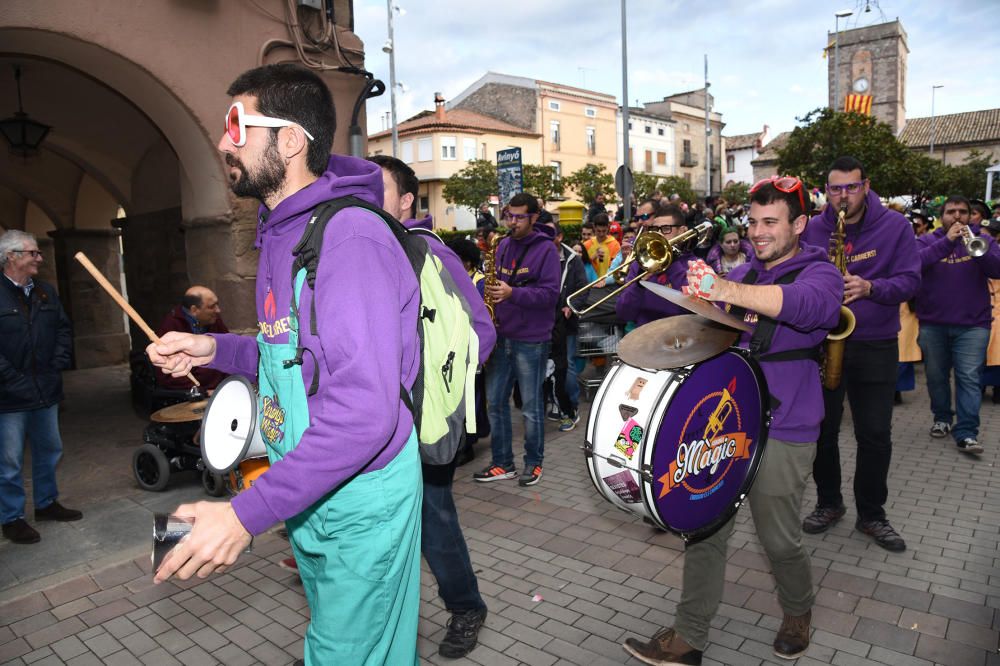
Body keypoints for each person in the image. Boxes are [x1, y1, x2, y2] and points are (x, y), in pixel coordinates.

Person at [148, 63, 423, 664]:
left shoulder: (350, 239)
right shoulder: (282, 235)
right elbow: (293, 354)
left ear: (291, 140)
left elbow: (363, 413)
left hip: (359, 497)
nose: (223, 141)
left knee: (343, 653)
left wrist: (245, 515)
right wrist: (214, 348)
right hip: (310, 487)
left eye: (237, 125)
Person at [623, 176, 842, 664]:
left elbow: (810, 309)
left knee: (778, 538)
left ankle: (798, 610)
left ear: (799, 224)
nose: (758, 231)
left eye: (771, 222)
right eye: (753, 221)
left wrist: (726, 287)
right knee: (704, 529)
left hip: (786, 424)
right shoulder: (751, 275)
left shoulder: (819, 271)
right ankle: (689, 636)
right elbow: (727, 333)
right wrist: (705, 304)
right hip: (730, 422)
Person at [370, 154, 495, 658]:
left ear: (405, 202)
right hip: (370, 423)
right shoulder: (355, 251)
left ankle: (466, 607)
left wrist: (445, 391)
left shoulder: (430, 254)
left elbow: (480, 332)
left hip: (421, 422)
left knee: (434, 521)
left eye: (373, 189)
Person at [800, 156, 920, 553]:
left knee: (875, 435)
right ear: (826, 190)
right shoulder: (814, 228)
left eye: (851, 187)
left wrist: (871, 288)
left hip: (876, 343)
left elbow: (910, 280)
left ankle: (872, 513)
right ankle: (829, 503)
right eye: (836, 188)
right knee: (822, 432)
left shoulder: (895, 227)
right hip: (824, 343)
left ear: (866, 186)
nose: (843, 196)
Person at [473, 193, 560, 486]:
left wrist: (514, 293)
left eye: (520, 216)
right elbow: (491, 282)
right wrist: (486, 284)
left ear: (534, 217)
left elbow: (550, 295)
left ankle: (534, 464)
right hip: (501, 335)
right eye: (509, 215)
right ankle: (502, 463)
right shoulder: (502, 244)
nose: (512, 221)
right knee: (495, 403)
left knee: (531, 408)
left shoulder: (546, 250)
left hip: (531, 340)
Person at [0, 230, 81, 545]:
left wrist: (58, 363)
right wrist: (10, 378)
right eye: (33, 253)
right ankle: (12, 517)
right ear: (12, 257)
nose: (39, 258)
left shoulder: (46, 292)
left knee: (50, 450)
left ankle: (47, 503)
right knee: (8, 461)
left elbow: (63, 328)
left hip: (46, 390)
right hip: (8, 396)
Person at [914, 196, 1000, 454]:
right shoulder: (927, 241)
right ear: (942, 216)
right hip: (933, 323)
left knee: (969, 379)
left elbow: (997, 270)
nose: (958, 216)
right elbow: (914, 264)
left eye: (963, 211)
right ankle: (942, 418)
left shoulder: (983, 240)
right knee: (936, 377)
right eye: (951, 212)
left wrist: (980, 251)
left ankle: (966, 432)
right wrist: (947, 242)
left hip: (974, 324)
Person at [540, 220, 587, 431]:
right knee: (549, 365)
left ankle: (572, 406)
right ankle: (557, 403)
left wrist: (570, 305)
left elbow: (582, 288)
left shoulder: (572, 259)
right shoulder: (540, 256)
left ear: (559, 238)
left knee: (565, 364)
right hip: (544, 320)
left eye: (549, 237)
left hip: (565, 322)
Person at [616, 203, 694, 327]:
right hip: (646, 338)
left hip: (682, 338)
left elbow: (696, 310)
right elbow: (624, 314)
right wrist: (638, 286)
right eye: (655, 229)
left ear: (682, 231)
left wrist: (673, 263)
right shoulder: (640, 264)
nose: (660, 235)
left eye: (666, 229)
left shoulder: (694, 265)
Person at [155, 286, 229, 391]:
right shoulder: (171, 325)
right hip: (192, 391)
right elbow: (167, 373)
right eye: (212, 306)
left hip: (220, 387)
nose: (218, 310)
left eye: (217, 304)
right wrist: (202, 391)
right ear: (194, 310)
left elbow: (227, 350)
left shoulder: (214, 320)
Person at [583, 213, 621, 280]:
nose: (601, 234)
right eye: (598, 231)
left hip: (608, 283)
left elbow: (616, 266)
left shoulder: (615, 244)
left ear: (608, 227)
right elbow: (582, 265)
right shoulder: (586, 244)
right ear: (594, 227)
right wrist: (593, 257)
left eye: (604, 231)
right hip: (590, 283)